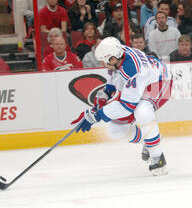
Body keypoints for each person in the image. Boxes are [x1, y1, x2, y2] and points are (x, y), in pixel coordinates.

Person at [71, 36, 172, 176]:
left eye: (103, 62)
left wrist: (96, 115)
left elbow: (127, 106)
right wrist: (105, 95)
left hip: (159, 81)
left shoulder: (132, 70)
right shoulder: (118, 54)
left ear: (112, 59)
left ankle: (158, 157)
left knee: (142, 111)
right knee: (115, 130)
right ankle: (149, 139)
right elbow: (115, 79)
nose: (102, 65)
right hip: (140, 83)